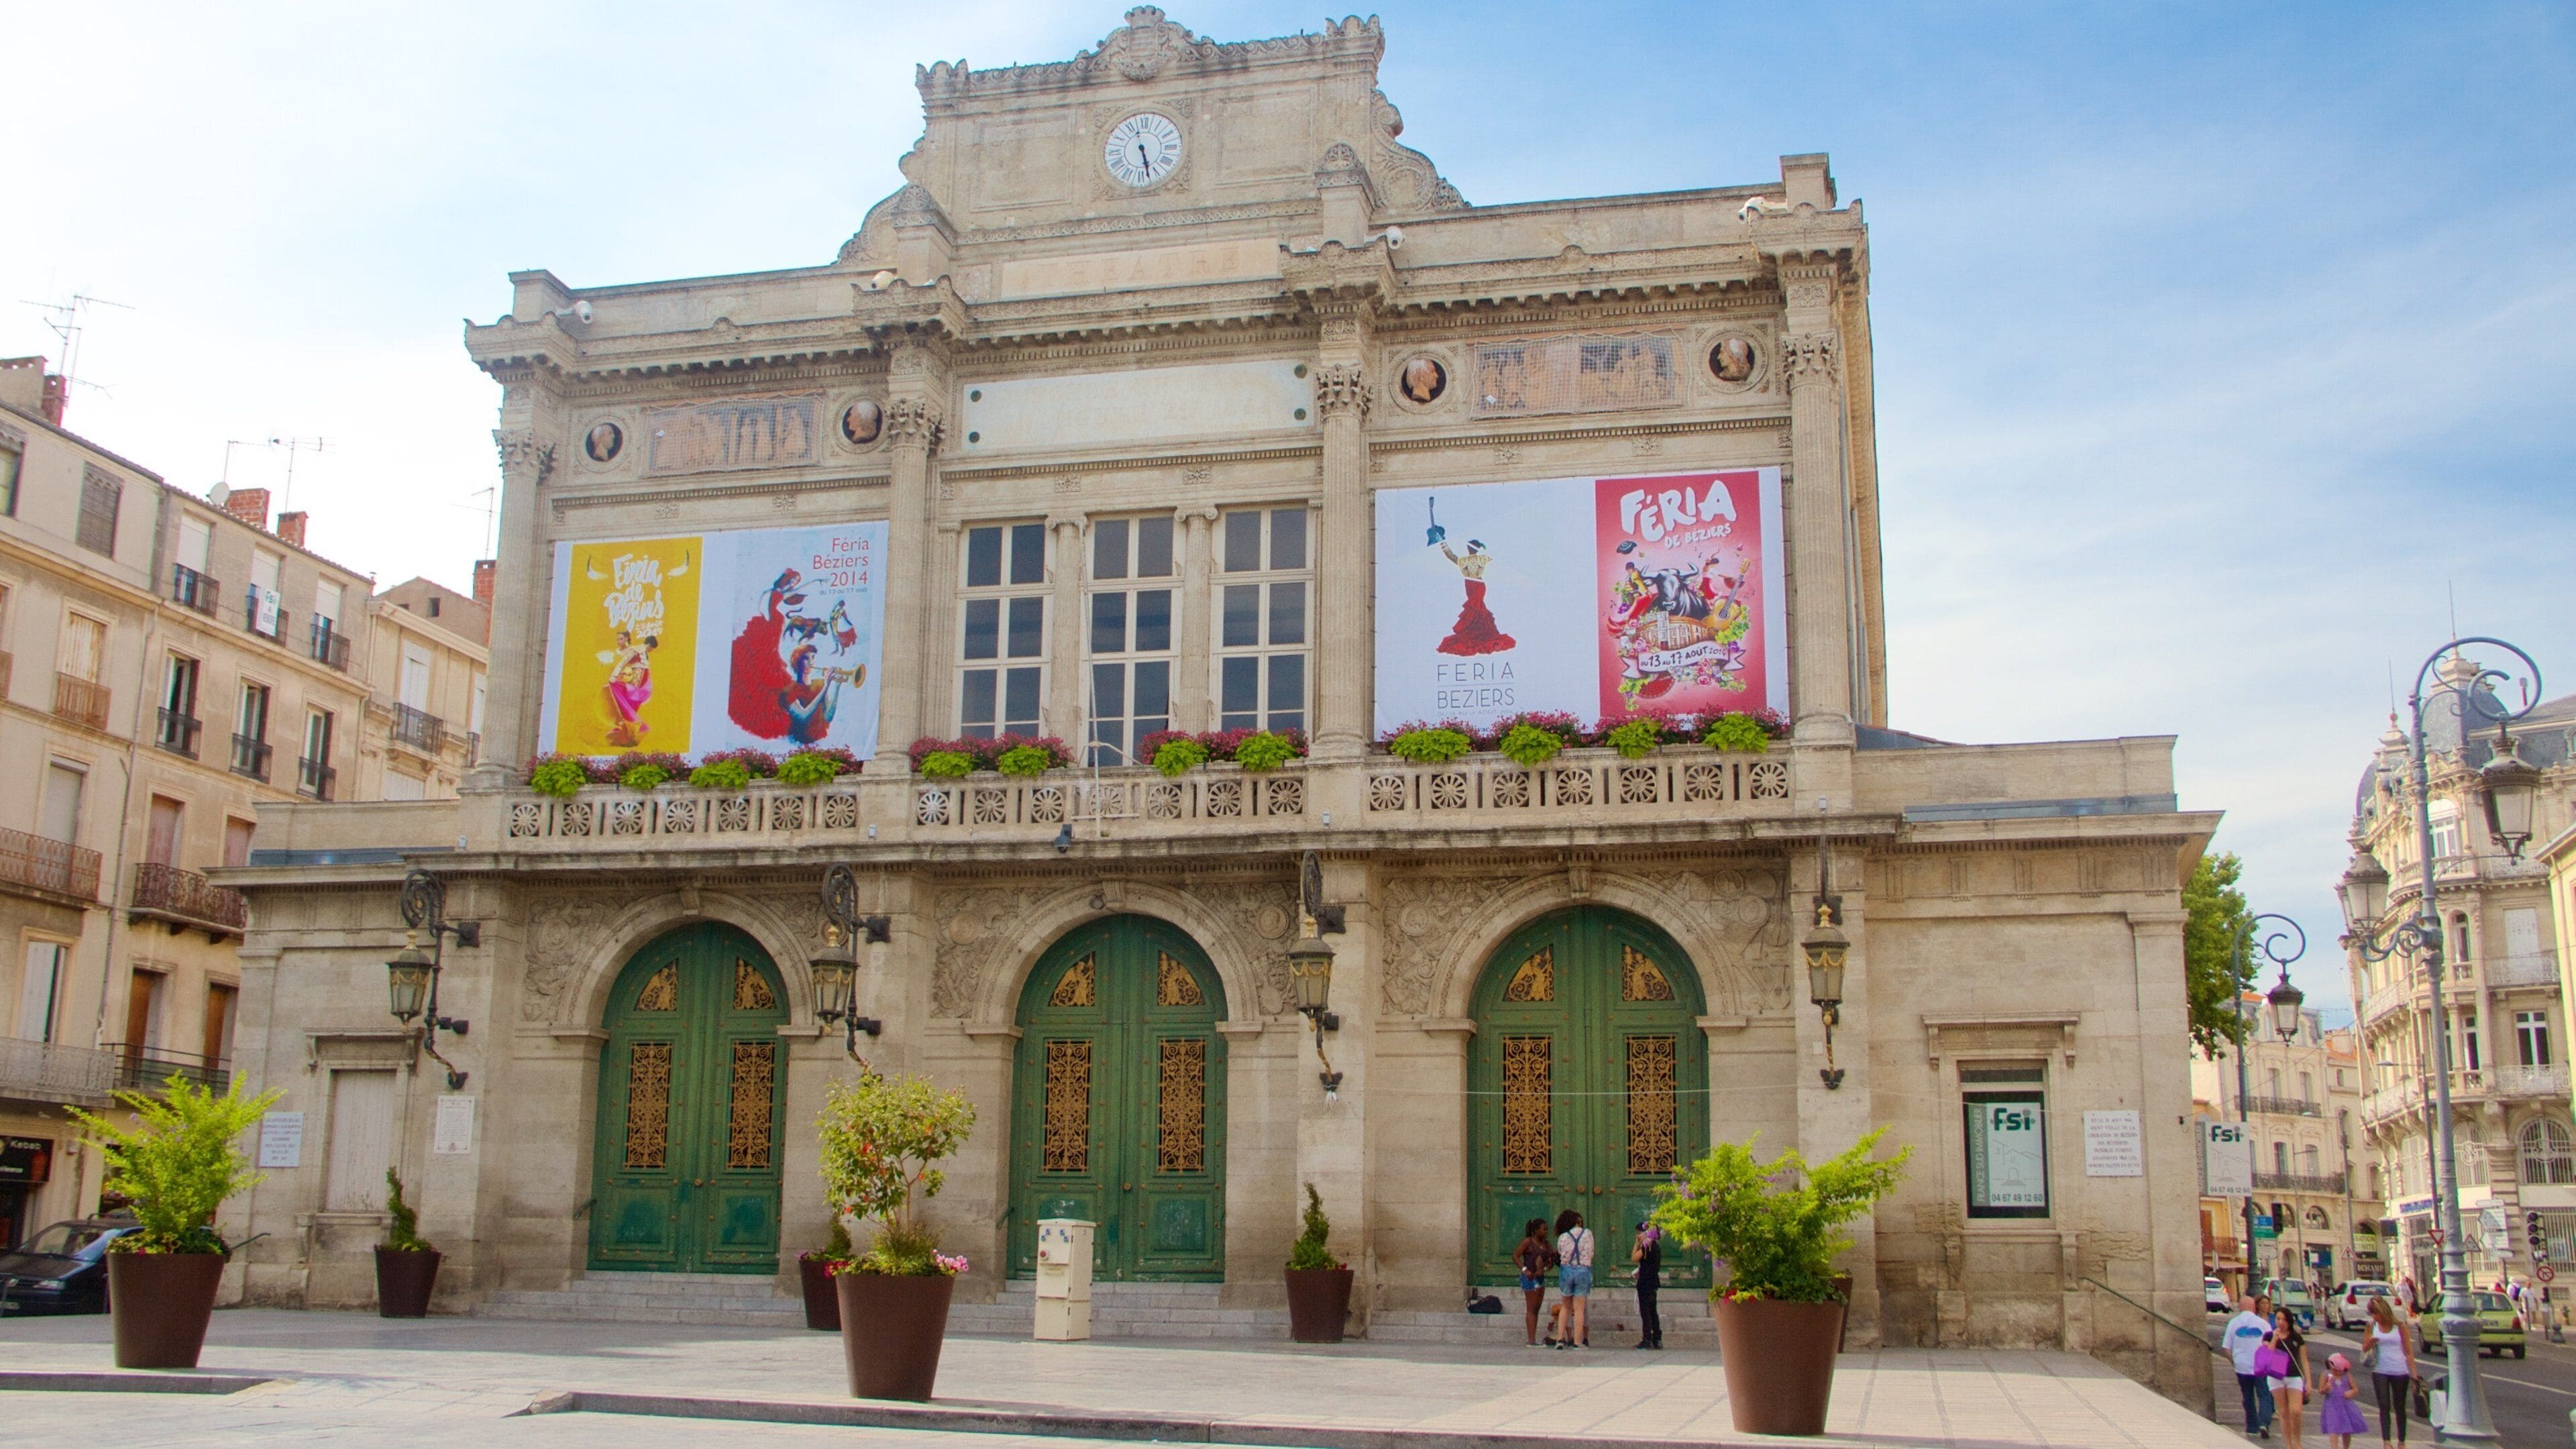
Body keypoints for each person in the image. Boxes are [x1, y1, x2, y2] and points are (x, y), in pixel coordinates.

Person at [1434, 540, 1516, 657]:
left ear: (1470, 548)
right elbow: (1450, 556)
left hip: (1475, 586)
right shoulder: (1480, 559)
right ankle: (1478, 632)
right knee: (1476, 608)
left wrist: (1442, 542)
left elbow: (1450, 555)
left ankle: (1479, 633)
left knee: (1476, 608)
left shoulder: (1465, 561)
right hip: (1474, 586)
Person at [2362, 1295, 2415, 1446]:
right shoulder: (2371, 1326)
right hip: (2380, 1369)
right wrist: (2371, 1341)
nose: (2374, 1317)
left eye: (2376, 1313)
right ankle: (2387, 1441)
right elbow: (2364, 1348)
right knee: (2384, 1405)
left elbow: (2409, 1351)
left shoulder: (2400, 1327)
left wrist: (2414, 1375)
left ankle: (2402, 1441)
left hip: (2399, 1370)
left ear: (2383, 1311)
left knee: (2400, 1406)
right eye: (2372, 1313)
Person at [2225, 1294, 2275, 1439]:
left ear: (2240, 1307)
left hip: (2242, 1366)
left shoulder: (2233, 1323)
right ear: (2254, 1307)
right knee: (2264, 1394)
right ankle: (2264, 1423)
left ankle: (2252, 1426)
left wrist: (2234, 1362)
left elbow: (2227, 1348)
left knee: (2248, 1396)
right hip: (2261, 1365)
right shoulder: (2262, 1324)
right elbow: (2271, 1344)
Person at [2267, 1307, 2310, 1449]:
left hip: (2293, 1375)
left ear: (2289, 1321)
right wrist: (2274, 1338)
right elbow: (2268, 1355)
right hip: (2276, 1376)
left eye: (2284, 1320)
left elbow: (2304, 1361)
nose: (2281, 1322)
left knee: (2296, 1411)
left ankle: (2297, 1442)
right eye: (2278, 1319)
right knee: (2284, 1412)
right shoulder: (2270, 1335)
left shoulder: (2296, 1338)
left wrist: (2308, 1382)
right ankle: (2289, 1445)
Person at [1552, 1208, 1593, 1350]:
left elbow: (1560, 1253)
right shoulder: (1587, 1234)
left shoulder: (1562, 1237)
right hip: (1583, 1270)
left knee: (1565, 1307)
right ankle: (1577, 1342)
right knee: (1579, 1309)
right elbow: (1591, 1253)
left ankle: (1560, 1339)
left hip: (1566, 1271)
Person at [1514, 1218, 1553, 1347]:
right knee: (1531, 1309)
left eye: (1547, 1229)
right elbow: (1515, 1256)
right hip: (1530, 1279)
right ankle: (1531, 1340)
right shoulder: (1528, 1242)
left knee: (1536, 1308)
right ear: (1536, 1230)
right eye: (1544, 1229)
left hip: (1540, 1279)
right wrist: (1525, 1270)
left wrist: (1545, 1270)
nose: (1546, 1232)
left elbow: (1551, 1262)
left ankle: (1533, 1338)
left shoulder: (1547, 1245)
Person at [2318, 1351, 2367, 1448]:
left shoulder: (2347, 1376)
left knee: (2347, 1428)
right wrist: (2326, 1389)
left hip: (2346, 1405)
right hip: (2331, 1405)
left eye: (2340, 1370)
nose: (2338, 1372)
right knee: (2333, 1427)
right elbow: (2321, 1390)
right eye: (2335, 1370)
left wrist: (2351, 1392)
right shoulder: (2326, 1375)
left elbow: (2355, 1388)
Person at [1631, 1221, 1663, 1350]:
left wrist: (1637, 1243)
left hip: (1645, 1282)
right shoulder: (1656, 1246)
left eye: (1639, 1233)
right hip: (1654, 1281)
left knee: (1646, 1312)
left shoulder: (1646, 1246)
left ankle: (1647, 1339)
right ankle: (1657, 1338)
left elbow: (1634, 1258)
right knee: (1653, 1311)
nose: (1638, 1235)